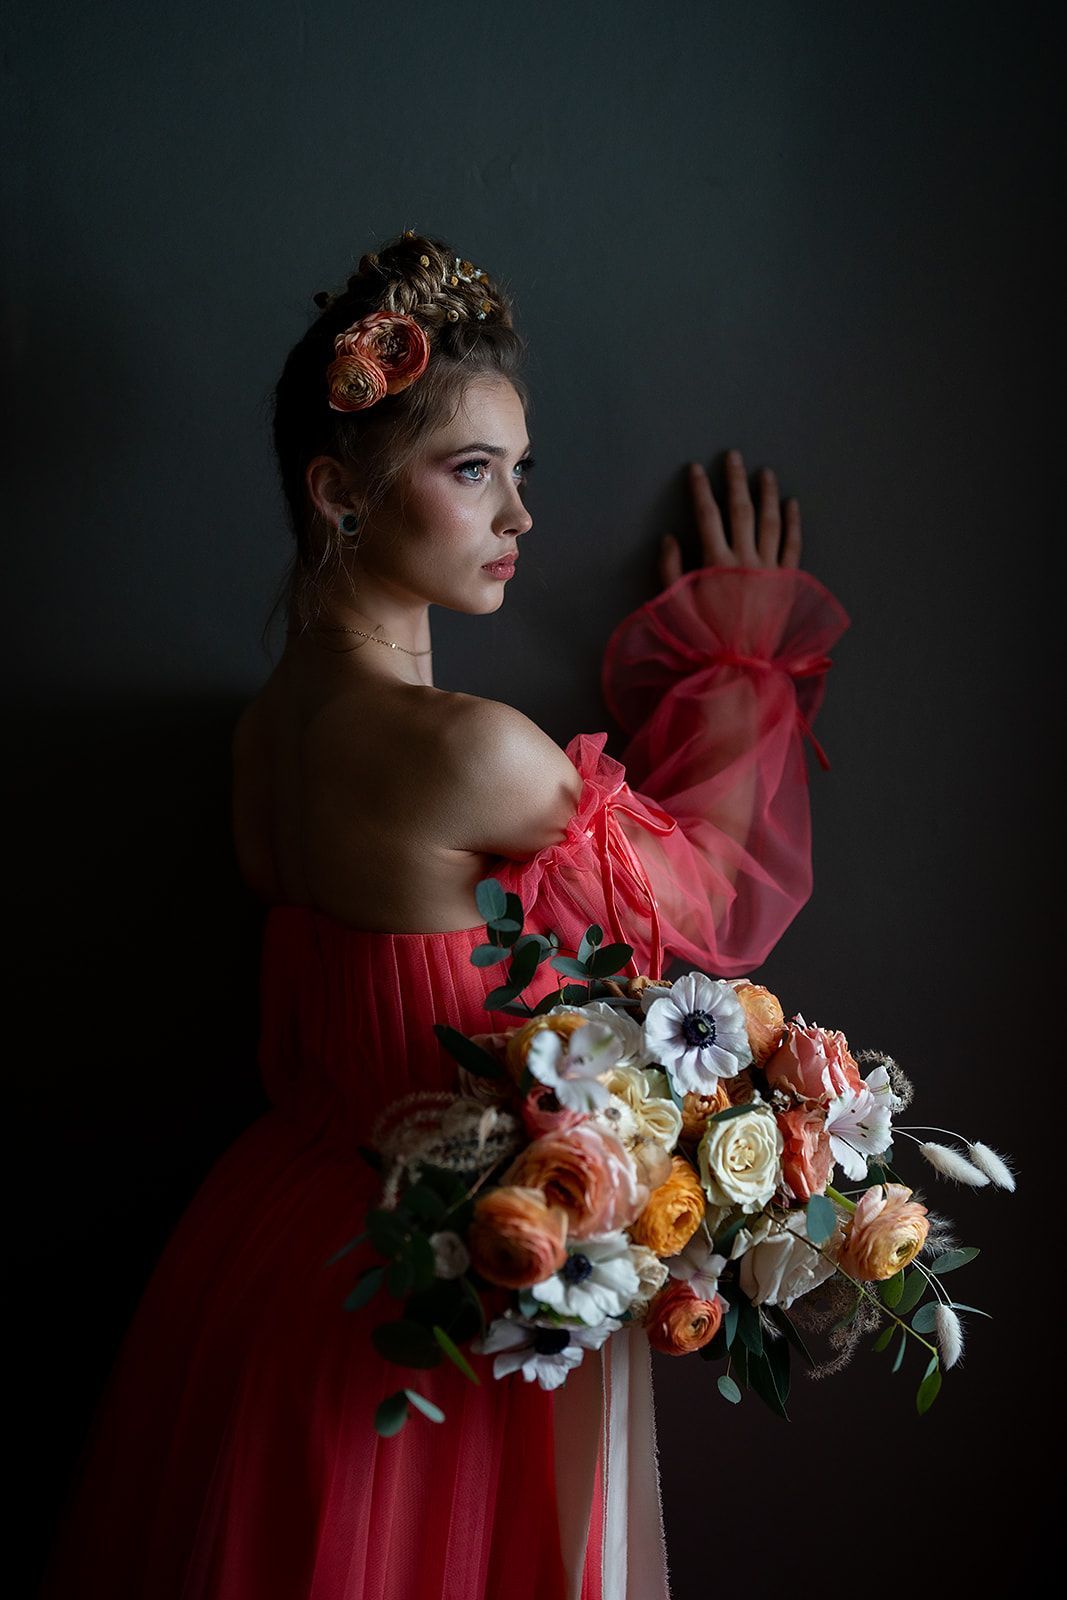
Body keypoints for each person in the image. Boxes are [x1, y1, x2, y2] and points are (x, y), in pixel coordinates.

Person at [41, 228, 850, 1600]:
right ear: (340, 495)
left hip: (269, 1248)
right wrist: (738, 655)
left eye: (518, 473)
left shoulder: (267, 737)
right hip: (431, 1288)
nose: (521, 519)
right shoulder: (469, 751)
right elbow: (714, 896)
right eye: (472, 472)